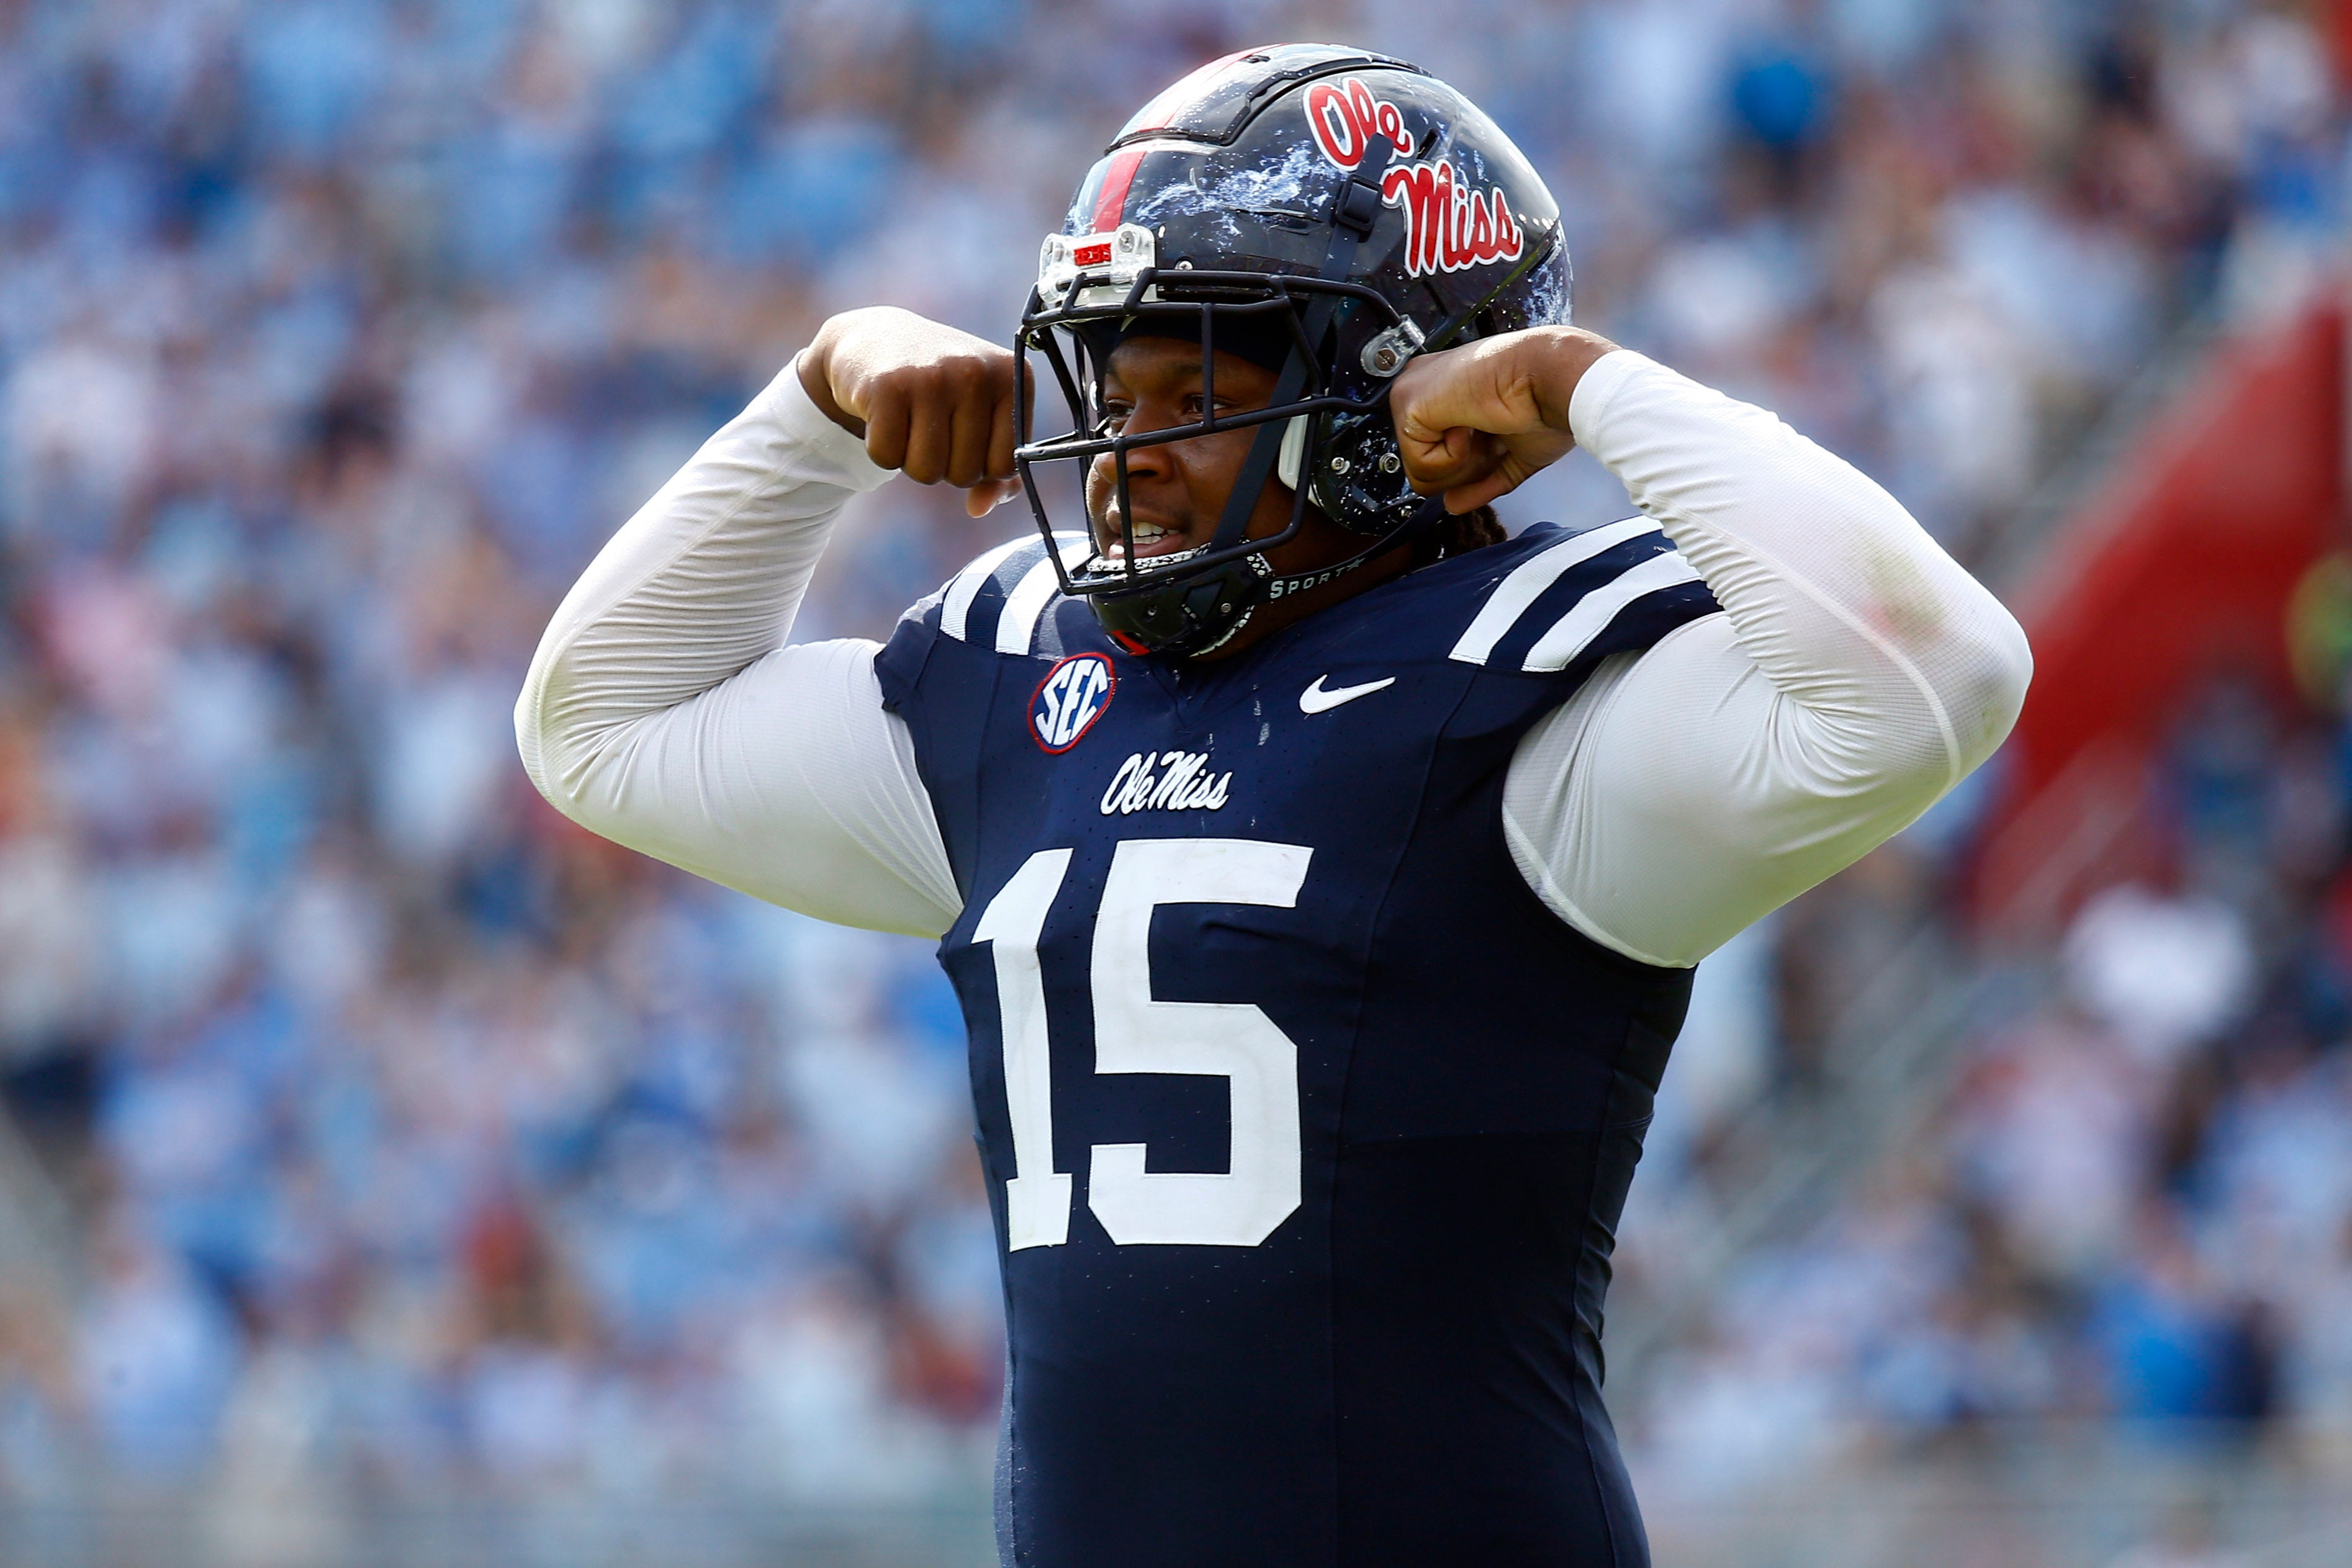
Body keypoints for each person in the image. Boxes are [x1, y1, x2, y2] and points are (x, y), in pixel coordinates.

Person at [516, 43, 2031, 1568]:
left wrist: (1590, 387)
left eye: (1195, 396)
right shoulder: (1021, 695)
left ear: (1397, 403)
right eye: (1111, 385)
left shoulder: (1517, 705)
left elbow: (1938, 673)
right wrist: (811, 402)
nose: (1121, 457)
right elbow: (597, 727)